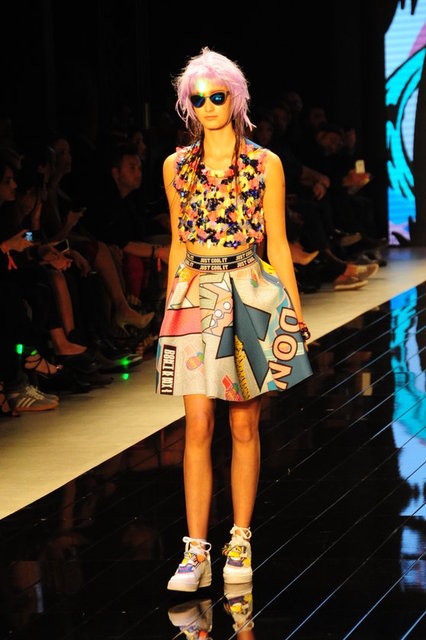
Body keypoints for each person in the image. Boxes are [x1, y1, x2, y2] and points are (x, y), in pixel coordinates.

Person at [155, 47, 313, 593]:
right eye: (197, 99)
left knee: (244, 424)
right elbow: (178, 242)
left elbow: (279, 244)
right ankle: (195, 550)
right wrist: (168, 312)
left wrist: (293, 313)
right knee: (197, 425)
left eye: (217, 96)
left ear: (236, 98)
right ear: (188, 104)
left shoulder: (265, 164)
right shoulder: (176, 167)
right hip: (195, 294)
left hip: (248, 291)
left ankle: (240, 538)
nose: (207, 106)